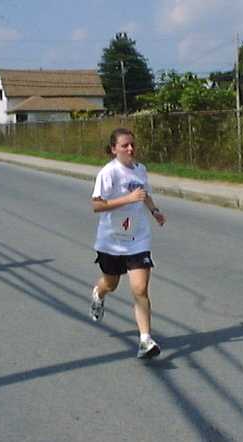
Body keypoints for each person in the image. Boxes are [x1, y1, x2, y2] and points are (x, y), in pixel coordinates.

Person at [90, 127, 166, 359]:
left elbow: (145, 194)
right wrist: (127, 199)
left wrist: (154, 211)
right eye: (125, 145)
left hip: (138, 238)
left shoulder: (140, 169)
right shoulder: (108, 173)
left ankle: (145, 340)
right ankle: (98, 293)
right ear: (114, 149)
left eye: (132, 144)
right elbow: (97, 205)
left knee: (140, 288)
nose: (131, 148)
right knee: (110, 284)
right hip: (111, 240)